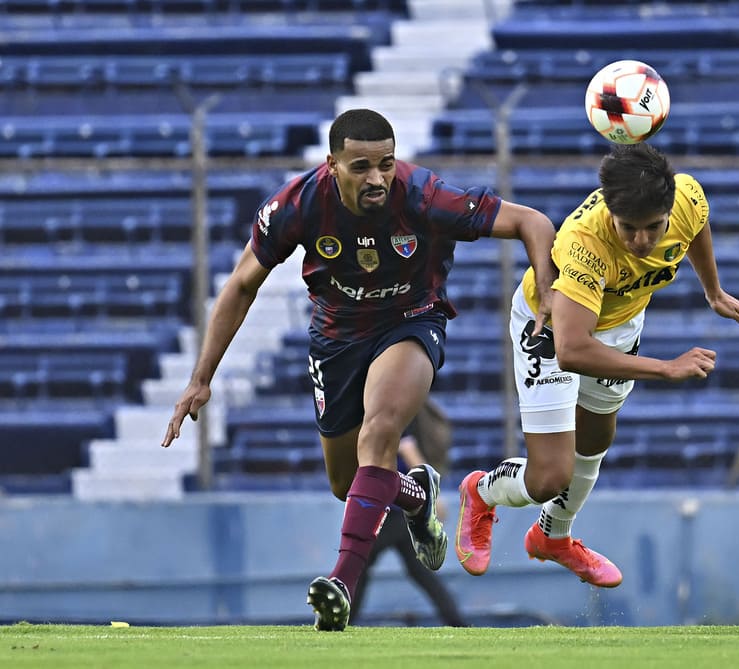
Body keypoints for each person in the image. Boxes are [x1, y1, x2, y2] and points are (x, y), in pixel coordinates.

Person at [161, 108, 558, 631]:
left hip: (411, 321)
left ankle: (342, 585)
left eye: (386, 164)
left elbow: (532, 221)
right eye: (362, 167)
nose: (377, 178)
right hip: (337, 339)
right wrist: (201, 378)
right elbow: (239, 285)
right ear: (332, 164)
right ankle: (414, 497)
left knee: (380, 433)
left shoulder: (422, 195)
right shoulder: (296, 205)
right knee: (345, 482)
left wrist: (547, 290)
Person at [454, 142, 739, 587]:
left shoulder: (687, 196)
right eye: (629, 229)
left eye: (654, 227)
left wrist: (713, 292)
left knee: (597, 434)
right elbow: (572, 349)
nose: (642, 242)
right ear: (610, 213)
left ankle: (553, 536)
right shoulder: (583, 243)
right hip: (552, 330)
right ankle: (481, 491)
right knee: (549, 478)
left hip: (619, 323)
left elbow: (696, 225)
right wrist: (666, 368)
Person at [351, 399, 467, 627]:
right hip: (402, 511)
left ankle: (343, 620)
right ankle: (457, 622)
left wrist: (432, 498)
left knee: (357, 563)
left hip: (392, 512)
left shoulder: (397, 413)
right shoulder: (407, 410)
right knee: (419, 572)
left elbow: (407, 449)